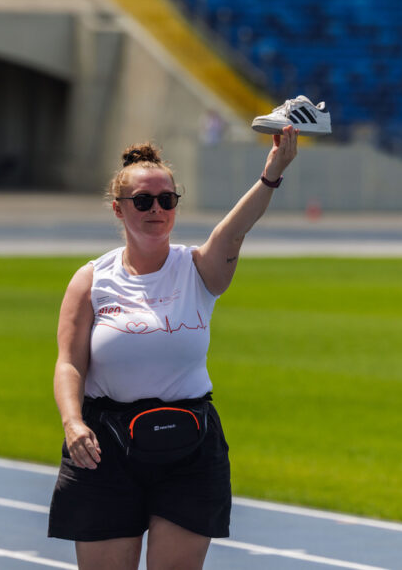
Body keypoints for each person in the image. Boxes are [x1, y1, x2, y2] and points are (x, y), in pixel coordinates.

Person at [48, 124, 299, 570]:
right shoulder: (92, 280)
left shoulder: (198, 269)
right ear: (119, 209)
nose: (157, 209)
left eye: (167, 200)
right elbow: (69, 364)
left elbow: (235, 230)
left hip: (188, 443)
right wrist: (72, 423)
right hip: (105, 446)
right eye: (143, 201)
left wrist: (272, 173)